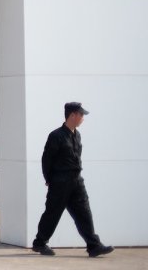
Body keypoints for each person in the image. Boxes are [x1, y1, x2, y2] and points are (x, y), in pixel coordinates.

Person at [31, 102, 114, 258]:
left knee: (84, 212)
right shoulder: (56, 136)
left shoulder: (77, 134)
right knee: (53, 213)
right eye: (81, 115)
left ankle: (94, 246)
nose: (83, 118)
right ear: (72, 115)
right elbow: (46, 159)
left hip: (76, 180)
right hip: (60, 181)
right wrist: (48, 179)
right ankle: (40, 243)